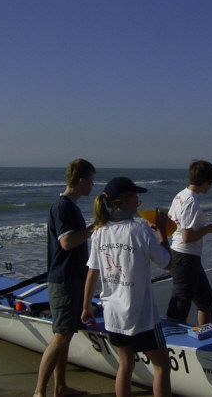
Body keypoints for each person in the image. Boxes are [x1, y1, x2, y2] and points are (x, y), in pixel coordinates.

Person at [81, 177, 172, 397]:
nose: (139, 201)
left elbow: (92, 272)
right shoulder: (140, 230)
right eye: (136, 196)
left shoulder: (100, 231)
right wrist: (160, 231)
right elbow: (167, 262)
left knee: (125, 364)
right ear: (127, 201)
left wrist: (86, 305)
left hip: (113, 314)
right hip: (141, 314)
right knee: (162, 365)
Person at [33, 159, 96, 397]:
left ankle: (60, 387)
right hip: (63, 279)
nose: (92, 185)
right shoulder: (63, 206)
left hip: (73, 278)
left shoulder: (71, 206)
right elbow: (67, 242)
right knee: (61, 335)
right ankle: (40, 391)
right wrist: (93, 228)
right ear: (80, 180)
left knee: (66, 334)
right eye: (90, 180)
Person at [166, 160, 212, 325]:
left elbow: (170, 222)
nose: (210, 187)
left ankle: (204, 333)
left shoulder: (179, 195)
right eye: (210, 183)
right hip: (185, 257)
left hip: (188, 257)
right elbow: (187, 236)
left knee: (207, 301)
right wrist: (208, 228)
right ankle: (170, 340)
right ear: (204, 181)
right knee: (180, 305)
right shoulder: (190, 201)